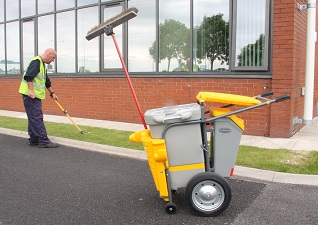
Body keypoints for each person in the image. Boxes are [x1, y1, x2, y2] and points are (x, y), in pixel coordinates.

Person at [18, 48, 59, 148]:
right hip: (31, 96)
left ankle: (33, 139)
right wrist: (31, 91)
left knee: (33, 116)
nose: (53, 60)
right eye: (53, 58)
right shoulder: (36, 62)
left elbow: (46, 81)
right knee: (36, 116)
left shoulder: (42, 65)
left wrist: (52, 93)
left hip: (34, 96)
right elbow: (28, 76)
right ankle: (43, 141)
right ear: (48, 54)